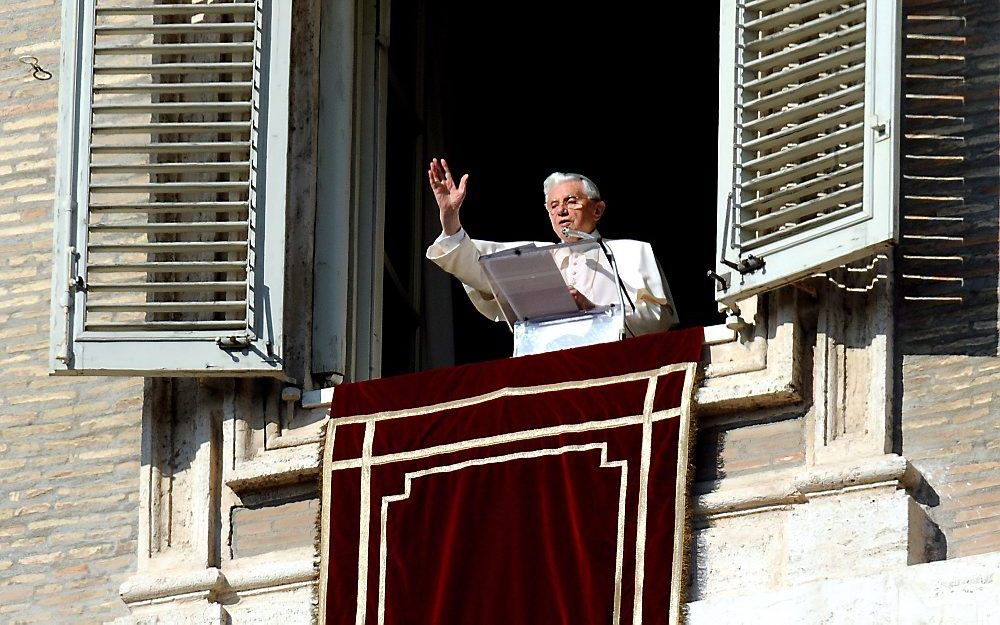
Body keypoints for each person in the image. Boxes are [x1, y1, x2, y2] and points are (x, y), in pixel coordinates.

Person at [425, 158, 678, 336]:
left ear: (597, 209)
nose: (562, 211)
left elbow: (659, 320)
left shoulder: (630, 252)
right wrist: (450, 220)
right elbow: (480, 268)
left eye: (571, 201)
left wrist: (594, 310)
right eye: (554, 206)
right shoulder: (536, 255)